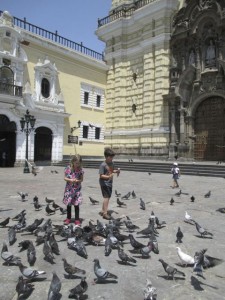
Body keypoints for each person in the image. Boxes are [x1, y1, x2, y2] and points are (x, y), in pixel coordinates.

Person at [99, 148, 120, 220]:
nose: (112, 159)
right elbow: (101, 175)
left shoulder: (112, 163)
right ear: (106, 157)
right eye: (110, 157)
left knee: (107, 197)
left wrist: (116, 171)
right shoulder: (103, 165)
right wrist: (108, 176)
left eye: (112, 157)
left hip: (110, 183)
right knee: (106, 197)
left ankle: (102, 210)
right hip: (104, 183)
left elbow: (111, 170)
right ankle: (105, 213)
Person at [63, 154, 84, 225]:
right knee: (68, 204)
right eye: (76, 163)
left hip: (77, 190)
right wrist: (70, 180)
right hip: (69, 190)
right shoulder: (68, 168)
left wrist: (77, 181)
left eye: (79, 163)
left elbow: (81, 179)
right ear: (73, 162)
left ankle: (77, 219)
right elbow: (65, 178)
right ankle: (68, 218)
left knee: (76, 204)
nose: (77, 165)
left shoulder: (80, 170)